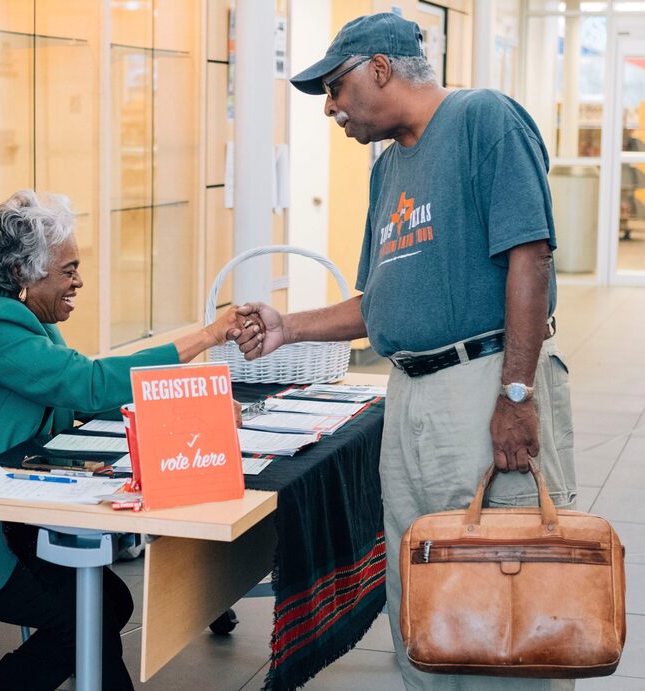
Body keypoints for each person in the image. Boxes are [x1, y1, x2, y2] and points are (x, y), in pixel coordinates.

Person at [234, 13, 576, 691]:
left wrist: (516, 394)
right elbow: (379, 301)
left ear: (381, 69)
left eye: (335, 88)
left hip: (483, 382)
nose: (330, 108)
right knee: (422, 594)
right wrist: (287, 327)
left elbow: (529, 259)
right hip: (409, 396)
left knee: (502, 598)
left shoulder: (485, 119)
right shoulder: (387, 169)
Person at [0, 190, 252, 691]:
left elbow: (79, 396)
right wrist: (208, 336)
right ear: (24, 274)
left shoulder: (26, 322)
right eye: (68, 269)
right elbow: (88, 383)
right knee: (81, 618)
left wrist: (192, 406)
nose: (78, 280)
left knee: (104, 604)